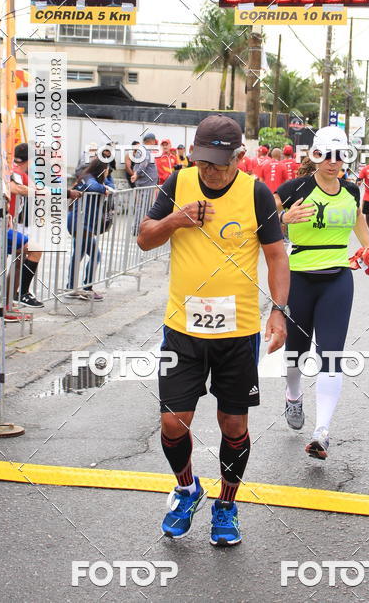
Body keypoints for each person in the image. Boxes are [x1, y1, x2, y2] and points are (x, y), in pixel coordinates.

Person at [137, 115, 289, 547]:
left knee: (233, 425)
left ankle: (226, 504)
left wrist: (278, 311)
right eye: (205, 162)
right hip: (182, 328)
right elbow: (144, 238)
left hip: (237, 332)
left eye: (221, 163)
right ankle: (187, 489)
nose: (212, 172)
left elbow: (277, 257)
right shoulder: (177, 184)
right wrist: (175, 221)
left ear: (239, 157)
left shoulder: (256, 193)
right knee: (172, 422)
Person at [275, 127, 369, 460]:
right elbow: (262, 218)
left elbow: (359, 220)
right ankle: (293, 395)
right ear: (315, 156)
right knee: (296, 352)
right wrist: (283, 217)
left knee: (332, 355)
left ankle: (322, 432)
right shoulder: (295, 188)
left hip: (338, 278)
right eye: (326, 155)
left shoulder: (352, 190)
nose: (333, 162)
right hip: (299, 278)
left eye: (339, 156)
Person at [66, 156, 114, 301]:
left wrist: (106, 182)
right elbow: (92, 187)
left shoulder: (93, 177)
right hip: (80, 222)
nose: (107, 173)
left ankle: (71, 287)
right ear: (101, 169)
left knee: (78, 254)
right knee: (95, 255)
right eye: (106, 170)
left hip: (82, 222)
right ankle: (87, 288)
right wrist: (104, 188)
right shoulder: (88, 178)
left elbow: (112, 186)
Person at [8, 143, 44, 309]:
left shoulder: (18, 171)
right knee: (35, 249)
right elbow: (16, 188)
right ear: (30, 160)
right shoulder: (14, 171)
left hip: (9, 224)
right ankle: (21, 294)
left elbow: (34, 186)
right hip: (2, 227)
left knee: (19, 261)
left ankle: (8, 303)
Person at [132, 132, 159, 232]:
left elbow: (137, 166)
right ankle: (137, 228)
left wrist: (136, 174)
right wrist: (137, 174)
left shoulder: (141, 150)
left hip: (144, 183)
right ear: (151, 141)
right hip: (146, 183)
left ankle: (137, 228)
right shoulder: (145, 150)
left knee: (142, 206)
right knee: (143, 207)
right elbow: (143, 165)